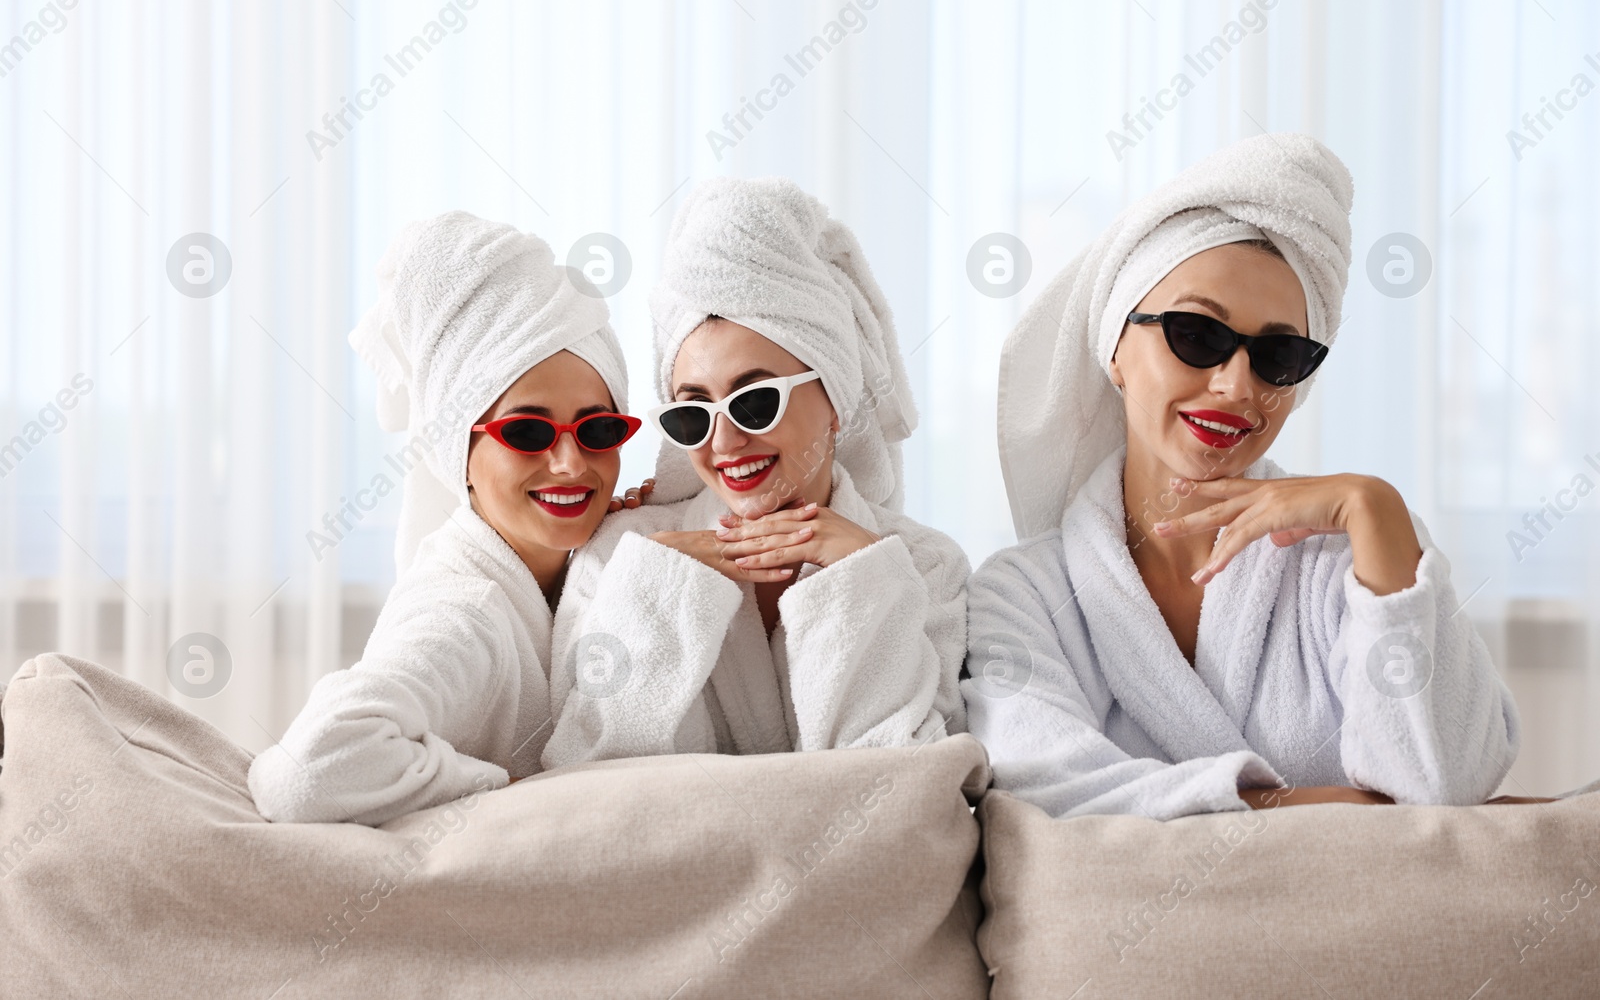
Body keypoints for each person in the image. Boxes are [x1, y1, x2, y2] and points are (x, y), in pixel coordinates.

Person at [962, 134, 1521, 819]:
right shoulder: (1022, 593)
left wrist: (1373, 504)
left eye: (1279, 354)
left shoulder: (1355, 554)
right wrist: (1327, 806)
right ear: (1114, 348)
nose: (1235, 385)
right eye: (1197, 334)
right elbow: (1045, 791)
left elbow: (1447, 785)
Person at [540, 178, 969, 767]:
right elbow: (592, 770)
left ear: (836, 400)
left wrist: (861, 580)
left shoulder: (923, 565)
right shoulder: (623, 556)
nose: (724, 441)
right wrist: (661, 592)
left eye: (755, 401)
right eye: (693, 413)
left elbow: (902, 779)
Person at [248, 212, 646, 825]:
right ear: (458, 452)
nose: (570, 463)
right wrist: (510, 787)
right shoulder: (468, 610)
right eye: (527, 431)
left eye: (598, 429)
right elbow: (305, 773)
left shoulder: (573, 573)